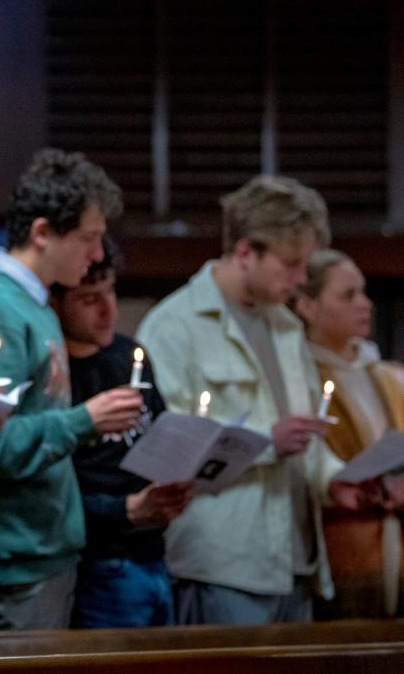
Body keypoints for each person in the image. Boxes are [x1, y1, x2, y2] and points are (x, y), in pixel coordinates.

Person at [138, 175, 377, 625]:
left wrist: (335, 480)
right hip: (223, 563)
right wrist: (267, 441)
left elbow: (305, 433)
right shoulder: (174, 326)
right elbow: (166, 450)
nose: (301, 278)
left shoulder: (285, 326)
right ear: (246, 252)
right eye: (291, 264)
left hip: (295, 560)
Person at [0, 148, 140, 633]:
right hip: (6, 566)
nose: (96, 254)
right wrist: (83, 421)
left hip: (40, 557)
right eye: (88, 239)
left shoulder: (34, 306)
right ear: (43, 233)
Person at [51, 235, 192, 628]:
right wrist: (123, 509)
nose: (108, 310)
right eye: (89, 299)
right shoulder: (56, 375)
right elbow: (55, 485)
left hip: (155, 553)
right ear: (56, 303)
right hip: (99, 561)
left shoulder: (129, 355)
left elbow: (163, 436)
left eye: (110, 292)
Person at [294, 249, 404, 618]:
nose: (365, 304)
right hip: (340, 547)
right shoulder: (299, 377)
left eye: (364, 292)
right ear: (307, 306)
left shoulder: (383, 375)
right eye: (348, 295)